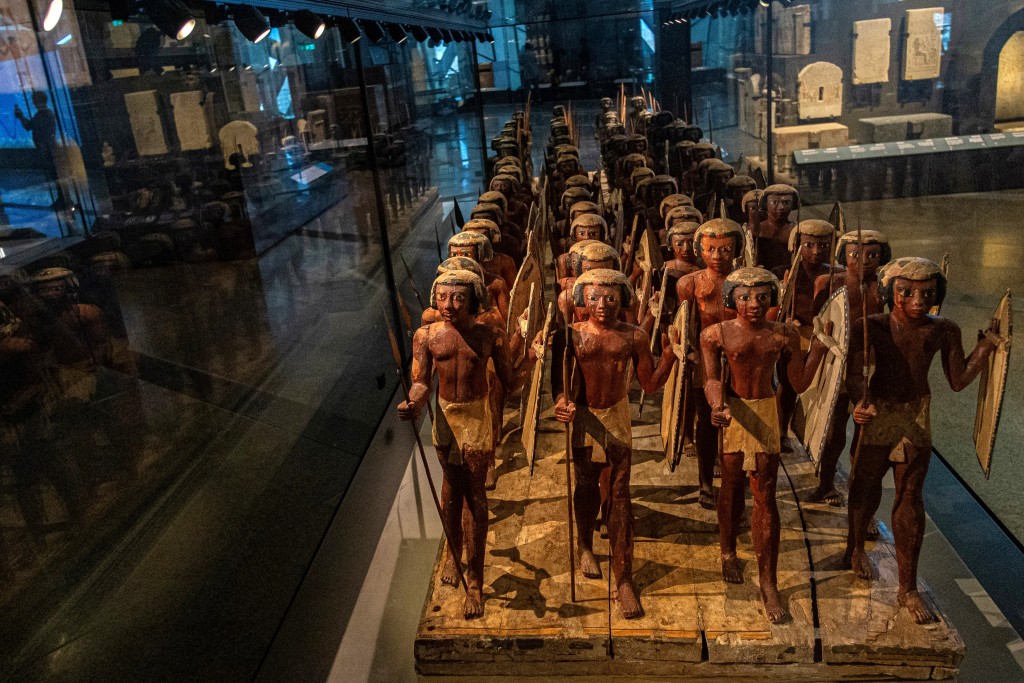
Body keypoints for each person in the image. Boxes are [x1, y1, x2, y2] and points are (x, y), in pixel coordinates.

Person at [844, 257, 999, 624]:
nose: (917, 301)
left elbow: (958, 378)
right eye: (906, 292)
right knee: (865, 486)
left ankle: (907, 587)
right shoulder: (871, 327)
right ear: (890, 292)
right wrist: (859, 402)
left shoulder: (943, 330)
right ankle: (854, 549)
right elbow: (855, 374)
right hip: (879, 411)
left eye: (926, 293)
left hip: (915, 413)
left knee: (911, 495)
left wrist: (986, 348)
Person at [701, 267, 828, 623]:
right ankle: (728, 551)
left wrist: (817, 348)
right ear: (732, 299)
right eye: (744, 297)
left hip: (766, 412)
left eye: (761, 297)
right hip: (735, 412)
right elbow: (712, 379)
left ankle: (768, 581)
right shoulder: (715, 335)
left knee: (765, 495)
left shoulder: (783, 335)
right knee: (730, 485)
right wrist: (717, 405)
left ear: (773, 299)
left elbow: (799, 382)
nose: (753, 304)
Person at [398, 270, 525, 619]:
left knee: (476, 497)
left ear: (472, 299)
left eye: (457, 297)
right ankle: (454, 553)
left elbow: (509, 381)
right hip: (445, 418)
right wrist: (414, 402)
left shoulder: (487, 335)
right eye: (443, 297)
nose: (449, 305)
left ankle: (475, 580)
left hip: (476, 420)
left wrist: (529, 351)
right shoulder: (426, 336)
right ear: (434, 298)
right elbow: (421, 382)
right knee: (450, 492)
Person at [552, 269, 678, 619]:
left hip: (617, 417)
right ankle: (585, 546)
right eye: (594, 298)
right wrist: (562, 402)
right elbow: (557, 383)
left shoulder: (634, 337)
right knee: (587, 485)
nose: (603, 305)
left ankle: (624, 580)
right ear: (582, 301)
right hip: (585, 418)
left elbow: (649, 385)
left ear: (623, 298)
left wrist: (670, 356)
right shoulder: (570, 335)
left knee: (621, 495)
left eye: (610, 298)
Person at [809, 230, 891, 504]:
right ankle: (826, 484)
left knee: (864, 434)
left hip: (871, 366)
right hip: (839, 364)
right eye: (856, 255)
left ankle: (859, 496)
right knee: (833, 432)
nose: (864, 261)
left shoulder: (885, 288)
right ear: (845, 255)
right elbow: (818, 323)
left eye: (872, 255)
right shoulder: (829, 283)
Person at [675, 219, 744, 509]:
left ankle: (735, 479)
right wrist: (684, 348)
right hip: (705, 359)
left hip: (739, 357)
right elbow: (684, 323)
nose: (717, 257)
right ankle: (705, 480)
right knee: (705, 420)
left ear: (736, 250)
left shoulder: (745, 282)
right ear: (700, 250)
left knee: (739, 419)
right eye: (711, 249)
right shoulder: (689, 283)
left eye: (725, 250)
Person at [14, 92, 66, 209]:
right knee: (56, 175)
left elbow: (29, 126)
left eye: (34, 100)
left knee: (56, 175)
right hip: (49, 149)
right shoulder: (45, 113)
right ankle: (62, 199)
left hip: (48, 150)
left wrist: (21, 116)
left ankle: (62, 200)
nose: (32, 102)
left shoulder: (43, 114)